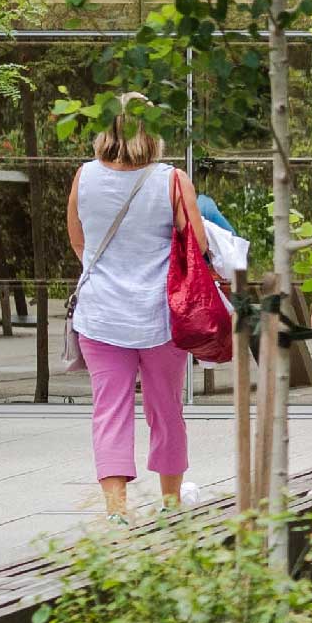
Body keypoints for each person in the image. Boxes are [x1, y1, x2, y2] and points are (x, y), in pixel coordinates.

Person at [67, 96, 203, 515]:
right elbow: (196, 247)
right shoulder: (172, 181)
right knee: (167, 410)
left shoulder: (84, 178)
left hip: (101, 316)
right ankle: (170, 504)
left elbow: (79, 242)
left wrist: (112, 274)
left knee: (109, 411)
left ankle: (116, 512)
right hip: (160, 317)